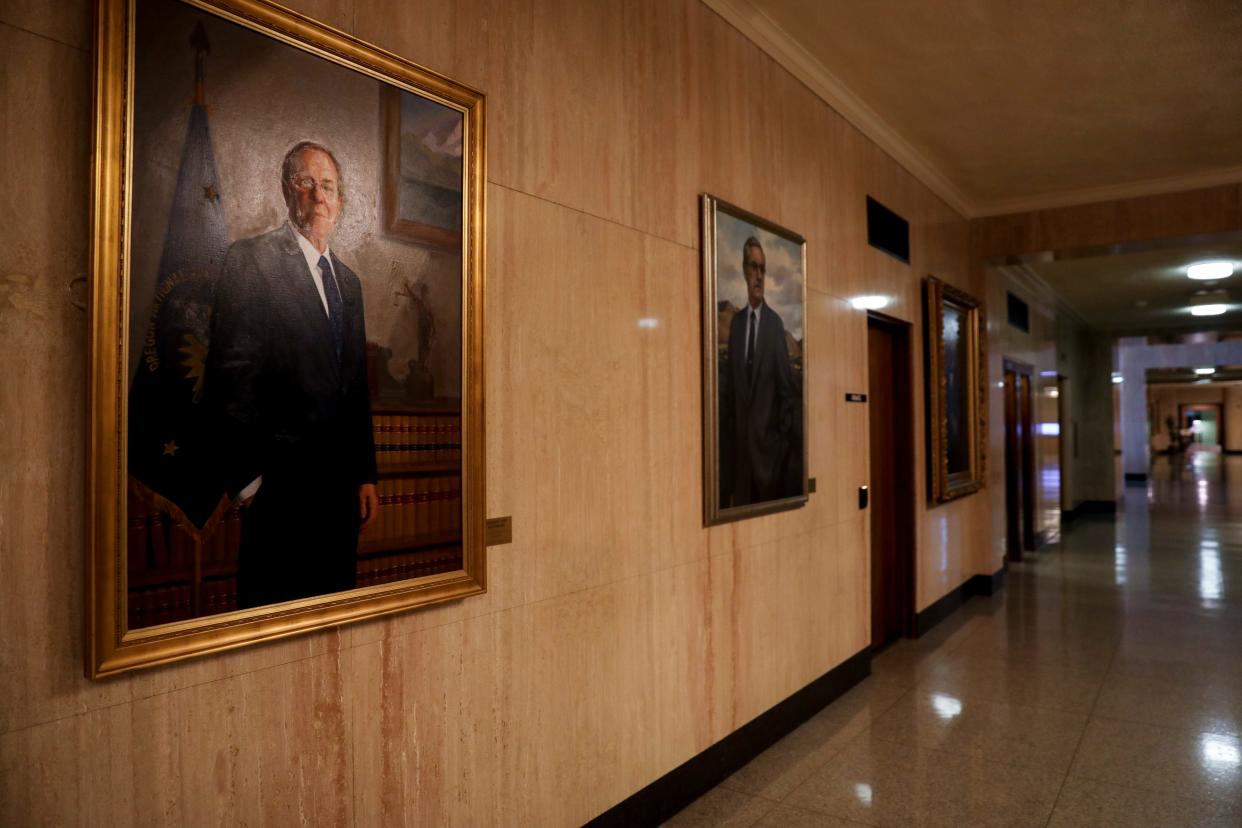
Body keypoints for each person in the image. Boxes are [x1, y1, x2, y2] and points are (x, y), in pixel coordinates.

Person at [206, 141, 378, 608]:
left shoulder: (349, 283)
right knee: (272, 624)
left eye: (328, 186)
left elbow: (354, 385)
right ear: (288, 191)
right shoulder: (251, 261)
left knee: (332, 621)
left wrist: (365, 475)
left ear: (340, 201)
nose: (319, 196)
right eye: (307, 183)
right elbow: (229, 375)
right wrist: (248, 483)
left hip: (340, 497)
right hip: (279, 496)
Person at [722, 235, 797, 507]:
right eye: (753, 267)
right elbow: (731, 396)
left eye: (762, 269)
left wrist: (778, 451)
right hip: (741, 468)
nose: (758, 276)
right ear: (744, 270)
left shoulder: (775, 326)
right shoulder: (737, 326)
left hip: (769, 466)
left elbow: (786, 395)